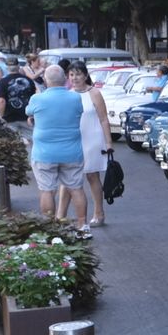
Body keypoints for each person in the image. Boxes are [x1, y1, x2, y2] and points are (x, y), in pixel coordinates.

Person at [26, 65, 89, 229]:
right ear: (65, 79)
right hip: (71, 152)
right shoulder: (75, 98)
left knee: (47, 191)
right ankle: (83, 225)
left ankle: (50, 227)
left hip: (44, 153)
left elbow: (29, 112)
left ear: (46, 80)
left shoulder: (37, 98)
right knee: (76, 188)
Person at [65, 61, 113, 228]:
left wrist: (108, 142)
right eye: (71, 74)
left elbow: (104, 119)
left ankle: (99, 213)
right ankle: (63, 216)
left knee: (92, 176)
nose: (75, 78)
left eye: (78, 74)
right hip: (74, 139)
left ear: (85, 75)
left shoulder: (94, 93)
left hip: (93, 138)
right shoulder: (69, 94)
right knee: (70, 178)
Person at [0, 58, 38, 126]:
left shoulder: (2, 82)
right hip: (26, 118)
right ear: (18, 66)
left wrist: (1, 116)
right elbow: (34, 98)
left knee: (12, 136)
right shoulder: (29, 80)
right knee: (28, 136)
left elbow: (1, 101)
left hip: (9, 119)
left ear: (7, 68)